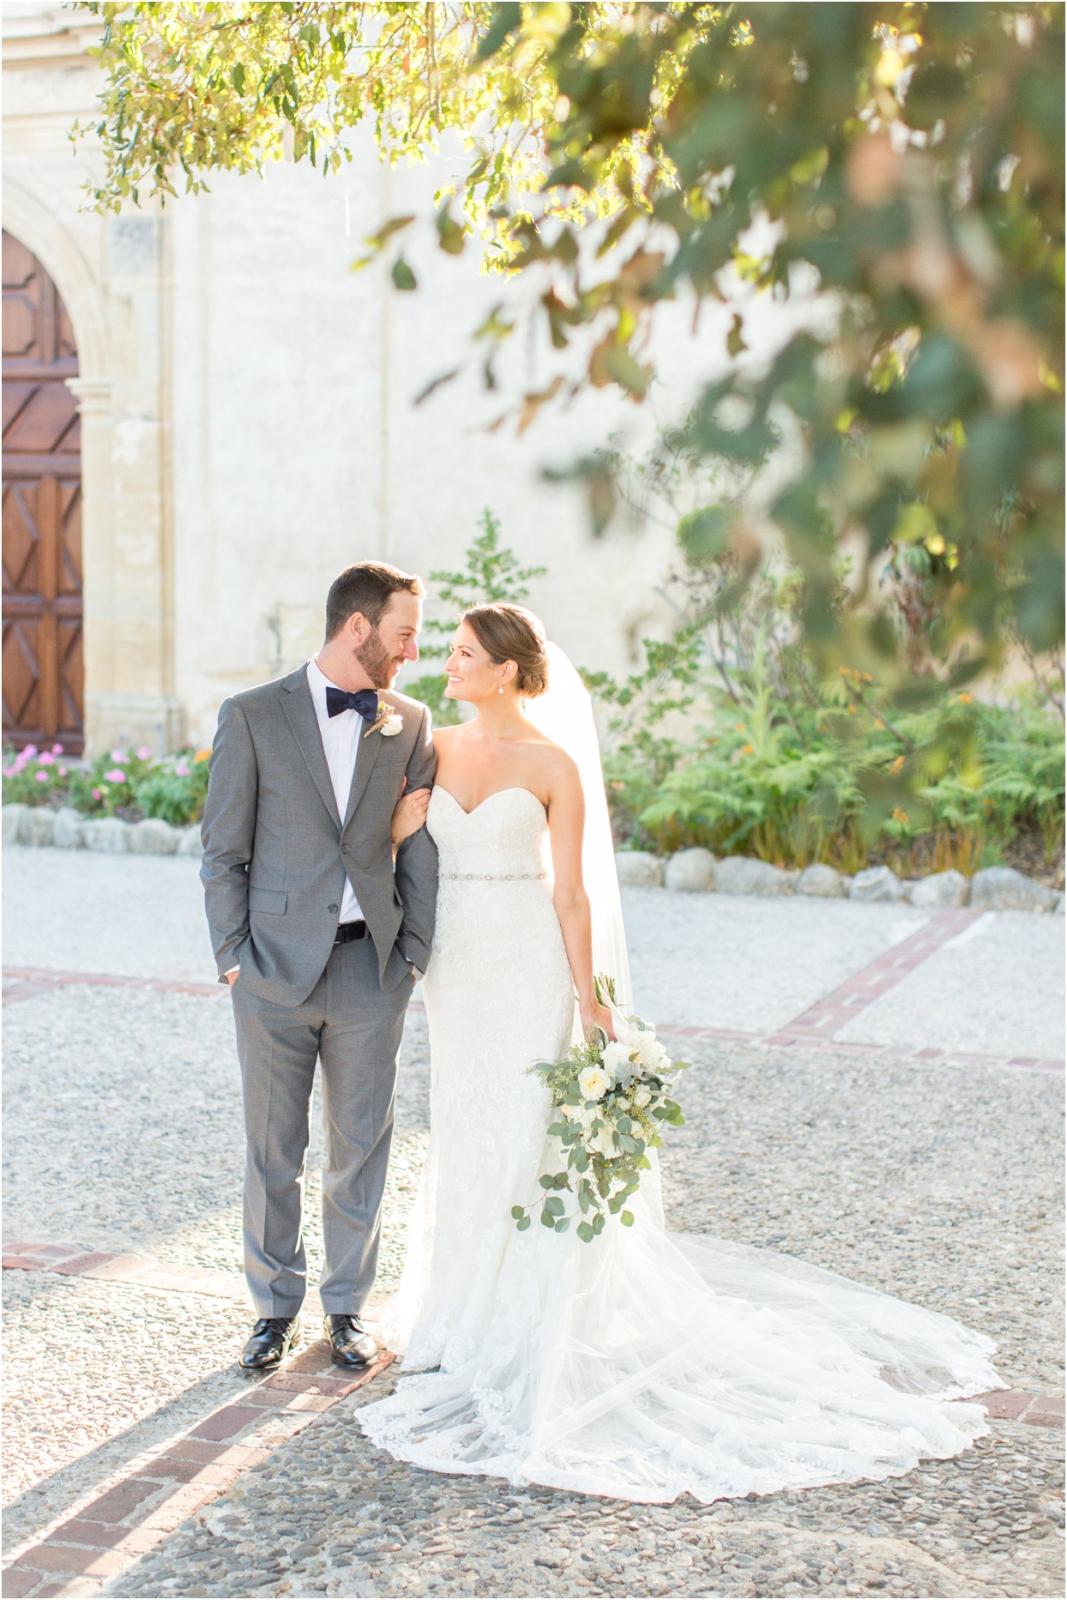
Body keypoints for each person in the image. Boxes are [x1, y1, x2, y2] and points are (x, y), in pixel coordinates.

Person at [356, 601, 1005, 1505]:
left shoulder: (553, 766)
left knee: (525, 1126)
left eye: (463, 654)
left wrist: (592, 1004)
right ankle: (457, 1306)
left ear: (507, 669)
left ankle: (521, 1319)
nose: (447, 666)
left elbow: (574, 895)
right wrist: (393, 836)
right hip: (455, 971)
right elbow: (398, 854)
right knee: (465, 1125)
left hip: (529, 964)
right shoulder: (430, 746)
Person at [200, 561, 437, 1374]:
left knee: (361, 1144)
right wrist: (233, 957)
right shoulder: (254, 715)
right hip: (270, 971)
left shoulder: (409, 721)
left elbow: (418, 852)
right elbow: (222, 851)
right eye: (404, 632)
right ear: (358, 627)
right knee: (273, 1147)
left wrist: (411, 955)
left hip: (370, 971)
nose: (413, 650)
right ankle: (271, 1308)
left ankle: (346, 1308)